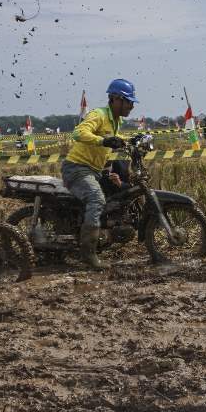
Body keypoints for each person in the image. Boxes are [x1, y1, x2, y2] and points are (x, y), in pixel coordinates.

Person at [64, 79, 134, 269]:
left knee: (115, 196)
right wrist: (103, 141)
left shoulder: (116, 121)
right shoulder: (99, 114)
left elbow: (113, 141)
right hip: (77, 168)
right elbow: (79, 133)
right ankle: (88, 254)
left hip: (94, 170)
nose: (131, 106)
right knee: (97, 199)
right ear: (115, 99)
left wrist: (131, 141)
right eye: (129, 101)